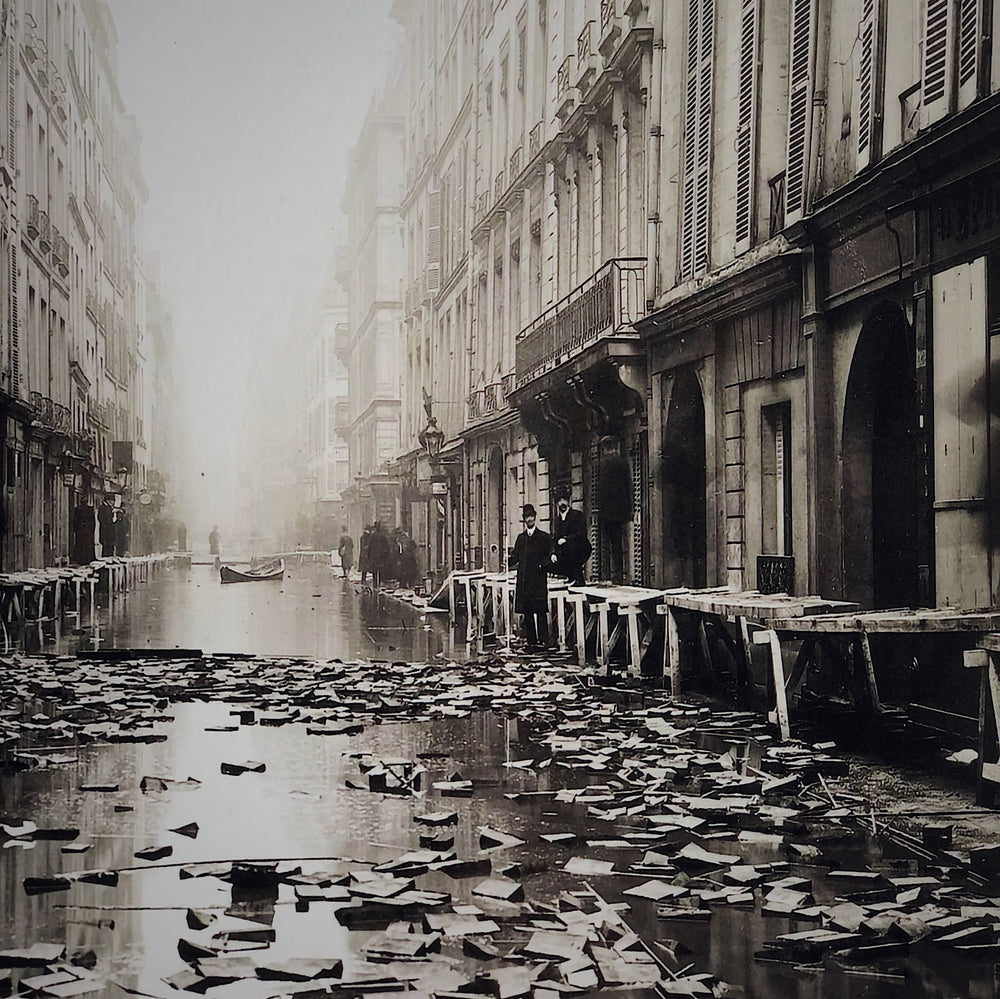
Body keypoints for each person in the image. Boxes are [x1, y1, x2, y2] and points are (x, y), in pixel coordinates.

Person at [510, 503, 551, 650]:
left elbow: (549, 555)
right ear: (524, 519)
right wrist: (506, 559)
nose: (530, 519)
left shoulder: (543, 537)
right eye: (527, 517)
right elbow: (515, 557)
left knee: (540, 610)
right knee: (527, 611)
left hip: (538, 579)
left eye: (532, 516)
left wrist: (543, 564)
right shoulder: (521, 539)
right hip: (525, 580)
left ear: (535, 517)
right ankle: (531, 640)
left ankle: (544, 640)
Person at [550, 491, 591, 585]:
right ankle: (570, 576)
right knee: (552, 558)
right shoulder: (557, 520)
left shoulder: (577, 515)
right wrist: (553, 553)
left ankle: (579, 579)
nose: (561, 503)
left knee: (571, 547)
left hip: (581, 547)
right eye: (559, 501)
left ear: (568, 502)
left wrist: (566, 539)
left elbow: (582, 533)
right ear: (556, 504)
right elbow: (555, 538)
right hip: (565, 550)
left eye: (564, 500)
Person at [367, 521, 392, 589]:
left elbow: (369, 547)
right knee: (380, 571)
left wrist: (369, 556)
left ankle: (375, 585)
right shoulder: (383, 536)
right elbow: (387, 547)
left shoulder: (373, 536)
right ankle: (379, 584)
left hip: (374, 557)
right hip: (381, 557)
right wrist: (385, 554)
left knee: (375, 572)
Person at [71, 500, 96, 565]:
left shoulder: (77, 509)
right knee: (88, 546)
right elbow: (93, 522)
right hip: (88, 531)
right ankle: (88, 559)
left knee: (80, 546)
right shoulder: (90, 509)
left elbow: (75, 521)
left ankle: (80, 559)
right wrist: (92, 531)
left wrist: (76, 530)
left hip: (80, 531)